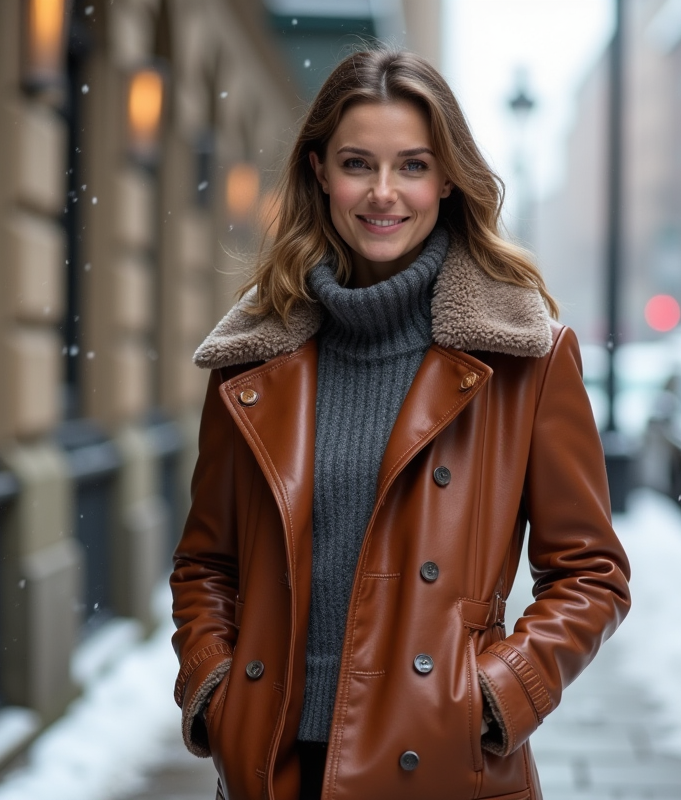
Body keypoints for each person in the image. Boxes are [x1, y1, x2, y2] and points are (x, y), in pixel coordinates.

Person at [170, 48, 630, 800]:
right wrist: (216, 688)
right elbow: (206, 565)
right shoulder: (252, 359)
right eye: (359, 164)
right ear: (320, 171)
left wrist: (493, 694)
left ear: (448, 178)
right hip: (271, 767)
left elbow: (591, 574)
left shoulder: (524, 357)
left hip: (441, 768)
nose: (384, 194)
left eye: (412, 166)